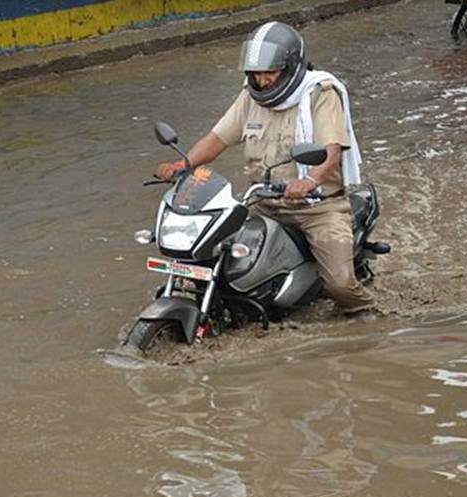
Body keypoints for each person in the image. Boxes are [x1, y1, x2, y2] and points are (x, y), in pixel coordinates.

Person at [155, 21, 375, 315]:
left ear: (291, 67)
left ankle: (370, 314)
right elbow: (218, 138)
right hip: (262, 204)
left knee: (340, 284)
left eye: (270, 72)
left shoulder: (320, 93)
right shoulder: (250, 95)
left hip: (317, 208)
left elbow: (331, 152)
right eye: (256, 73)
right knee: (213, 259)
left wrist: (309, 182)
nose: (262, 80)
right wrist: (182, 165)